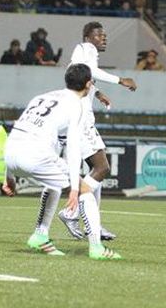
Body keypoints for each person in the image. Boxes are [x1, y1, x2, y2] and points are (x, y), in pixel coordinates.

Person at [3, 64, 122, 260]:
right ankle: (96, 248)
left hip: (10, 154)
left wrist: (8, 177)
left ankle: (40, 236)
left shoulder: (42, 97)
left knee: (54, 185)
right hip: (34, 155)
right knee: (86, 191)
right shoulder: (77, 105)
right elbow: (74, 147)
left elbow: (20, 129)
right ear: (88, 84)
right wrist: (75, 188)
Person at [58, 22, 137, 241]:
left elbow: (79, 75)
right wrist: (121, 80)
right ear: (88, 37)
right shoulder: (87, 48)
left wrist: (98, 91)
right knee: (102, 168)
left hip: (77, 117)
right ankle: (71, 211)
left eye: (104, 35)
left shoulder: (81, 53)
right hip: (82, 120)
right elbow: (89, 72)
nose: (103, 38)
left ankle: (95, 224)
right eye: (99, 35)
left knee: (96, 173)